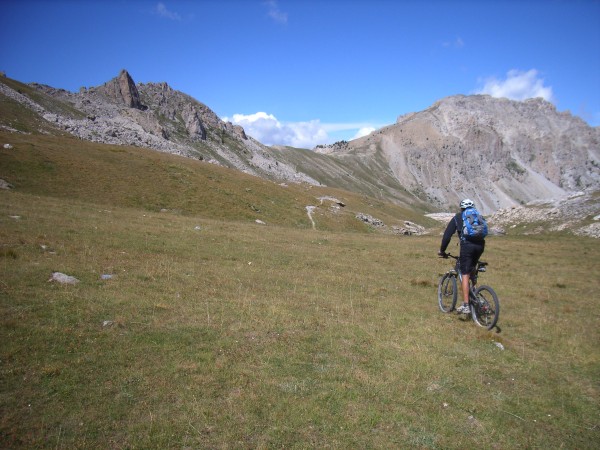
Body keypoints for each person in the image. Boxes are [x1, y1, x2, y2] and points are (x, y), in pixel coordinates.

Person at [438, 199, 486, 314]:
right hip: (480, 245)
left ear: (461, 208)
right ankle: (475, 294)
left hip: (467, 246)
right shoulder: (478, 217)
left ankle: (466, 305)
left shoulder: (458, 217)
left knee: (465, 273)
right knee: (472, 267)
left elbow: (447, 236)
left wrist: (442, 250)